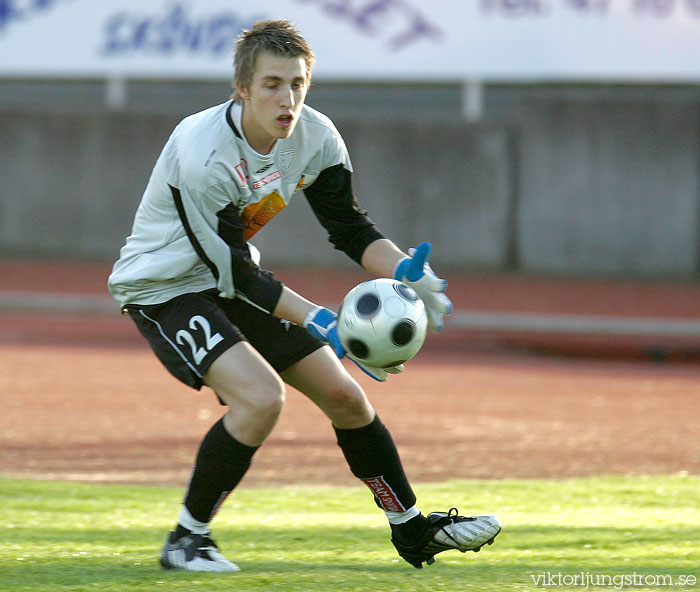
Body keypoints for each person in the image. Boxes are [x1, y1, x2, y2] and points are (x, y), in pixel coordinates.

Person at [108, 19, 500, 572]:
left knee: (346, 398)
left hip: (227, 280)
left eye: (297, 83)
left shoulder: (315, 137)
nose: (287, 98)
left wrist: (414, 275)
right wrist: (321, 319)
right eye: (271, 84)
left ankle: (411, 530)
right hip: (165, 287)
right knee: (261, 399)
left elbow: (350, 229)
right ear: (241, 89)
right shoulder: (204, 152)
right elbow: (238, 274)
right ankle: (186, 540)